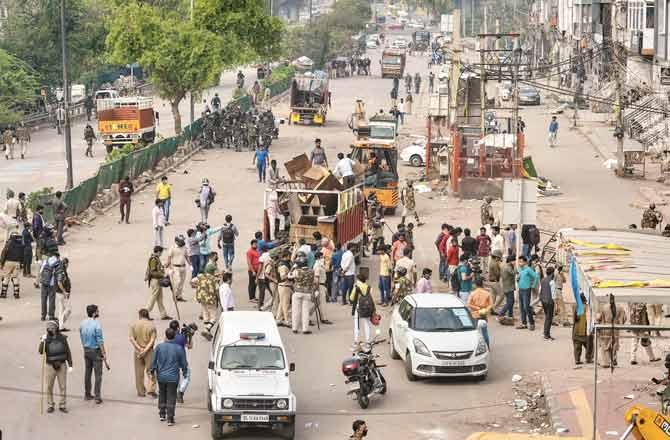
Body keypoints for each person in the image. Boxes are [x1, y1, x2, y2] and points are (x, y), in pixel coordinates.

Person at [151, 327, 189, 426]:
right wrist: (185, 372)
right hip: (173, 377)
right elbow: (184, 363)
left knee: (162, 393)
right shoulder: (179, 348)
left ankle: (162, 413)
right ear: (174, 337)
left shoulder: (159, 347)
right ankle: (170, 418)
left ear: (165, 335)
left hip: (161, 376)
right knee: (171, 397)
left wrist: (152, 371)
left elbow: (154, 361)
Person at [39, 320, 73, 413]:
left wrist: (70, 364)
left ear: (56, 327)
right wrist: (42, 341)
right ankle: (50, 404)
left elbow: (68, 351)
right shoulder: (46, 339)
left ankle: (62, 405)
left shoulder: (62, 338)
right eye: (48, 326)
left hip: (62, 365)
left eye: (51, 326)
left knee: (63, 386)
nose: (49, 328)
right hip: (50, 365)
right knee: (49, 386)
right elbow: (41, 351)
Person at [79, 304, 106, 404]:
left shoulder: (82, 323)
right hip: (95, 350)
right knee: (98, 374)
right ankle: (97, 396)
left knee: (88, 372)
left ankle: (87, 394)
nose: (98, 312)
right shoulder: (97, 325)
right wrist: (104, 353)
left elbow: (81, 335)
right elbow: (100, 341)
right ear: (94, 313)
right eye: (97, 311)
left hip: (86, 349)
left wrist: (85, 346)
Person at [129, 308, 157, 398]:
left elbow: (131, 339)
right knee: (151, 371)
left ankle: (141, 391)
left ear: (140, 315)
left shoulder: (134, 325)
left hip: (137, 351)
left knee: (138, 372)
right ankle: (151, 390)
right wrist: (145, 350)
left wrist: (139, 348)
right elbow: (152, 340)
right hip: (149, 352)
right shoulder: (151, 326)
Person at [289, 251, 317, 335]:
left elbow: (289, 276)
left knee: (296, 311)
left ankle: (295, 328)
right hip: (307, 293)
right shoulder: (312, 271)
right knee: (305, 311)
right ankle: (305, 329)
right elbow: (314, 281)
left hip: (297, 292)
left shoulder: (297, 271)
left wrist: (293, 268)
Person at [596, 300, 627, 368]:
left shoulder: (604, 307)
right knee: (614, 344)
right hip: (615, 327)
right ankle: (613, 359)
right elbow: (624, 318)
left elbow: (599, 318)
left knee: (605, 345)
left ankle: (606, 362)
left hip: (606, 327)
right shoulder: (620, 307)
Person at [192, 264, 219, 339]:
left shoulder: (200, 277)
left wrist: (198, 287)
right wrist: (219, 300)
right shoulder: (213, 279)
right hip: (210, 299)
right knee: (213, 317)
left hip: (201, 298)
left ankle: (207, 330)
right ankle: (207, 329)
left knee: (205, 313)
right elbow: (217, 290)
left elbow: (192, 282)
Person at [145, 246, 172, 320]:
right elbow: (152, 272)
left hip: (158, 280)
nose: (161, 254)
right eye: (161, 252)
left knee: (160, 299)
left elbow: (158, 268)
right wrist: (163, 274)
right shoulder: (153, 259)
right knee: (153, 298)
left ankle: (163, 314)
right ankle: (145, 313)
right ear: (158, 252)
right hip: (155, 280)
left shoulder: (156, 258)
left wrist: (163, 267)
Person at [350, 272, 376, 347]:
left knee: (357, 325)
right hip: (367, 308)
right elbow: (372, 299)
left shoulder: (356, 287)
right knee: (367, 324)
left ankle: (356, 341)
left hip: (358, 308)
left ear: (359, 280)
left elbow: (351, 298)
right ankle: (367, 341)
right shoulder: (369, 287)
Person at [39, 246, 62, 320]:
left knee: (43, 299)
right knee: (51, 300)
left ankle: (43, 316)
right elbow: (59, 274)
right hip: (52, 283)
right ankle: (51, 315)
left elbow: (40, 271)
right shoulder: (57, 262)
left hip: (44, 282)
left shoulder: (46, 260)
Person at [466, 278, 491, 346]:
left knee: (475, 332)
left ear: (475, 285)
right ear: (482, 284)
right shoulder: (487, 293)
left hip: (475, 314)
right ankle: (487, 346)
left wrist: (476, 308)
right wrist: (485, 310)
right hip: (483, 314)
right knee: (484, 331)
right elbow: (490, 305)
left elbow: (468, 304)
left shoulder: (472, 294)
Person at [516, 256, 539, 331]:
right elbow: (519, 278)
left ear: (525, 262)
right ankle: (524, 323)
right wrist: (517, 279)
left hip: (526, 290)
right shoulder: (519, 269)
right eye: (519, 261)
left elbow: (536, 276)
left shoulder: (528, 269)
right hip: (520, 289)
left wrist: (533, 285)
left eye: (521, 261)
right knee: (521, 307)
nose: (520, 263)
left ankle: (532, 323)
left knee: (526, 306)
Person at [1, 231, 24, 298]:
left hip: (8, 262)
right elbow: (22, 256)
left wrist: (2, 263)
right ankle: (16, 294)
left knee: (6, 277)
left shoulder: (8, 244)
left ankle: (3, 293)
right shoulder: (21, 245)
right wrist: (21, 264)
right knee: (15, 277)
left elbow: (3, 254)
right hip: (17, 263)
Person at [573, 294, 594, 364]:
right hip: (586, 331)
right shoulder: (588, 307)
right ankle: (588, 359)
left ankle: (577, 360)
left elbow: (574, 319)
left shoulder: (576, 306)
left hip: (577, 330)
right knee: (589, 346)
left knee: (577, 346)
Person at [166, 235, 188, 302]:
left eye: (183, 240)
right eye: (181, 241)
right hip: (175, 267)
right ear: (176, 241)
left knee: (182, 283)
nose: (182, 242)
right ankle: (175, 295)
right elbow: (169, 258)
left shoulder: (184, 247)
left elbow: (186, 256)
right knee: (177, 282)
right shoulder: (172, 248)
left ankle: (179, 296)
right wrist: (168, 266)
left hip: (183, 267)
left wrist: (190, 264)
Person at [312, 251, 332, 324]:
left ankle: (308, 315)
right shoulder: (317, 266)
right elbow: (316, 278)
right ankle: (324, 318)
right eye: (322, 257)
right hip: (319, 285)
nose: (323, 258)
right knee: (322, 303)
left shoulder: (320, 265)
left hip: (322, 285)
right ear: (319, 257)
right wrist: (316, 289)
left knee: (318, 302)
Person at [539, 266, 556, 341]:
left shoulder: (543, 280)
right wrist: (556, 305)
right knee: (549, 318)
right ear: (552, 273)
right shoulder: (552, 282)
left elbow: (540, 290)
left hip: (543, 300)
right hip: (549, 301)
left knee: (547, 317)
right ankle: (546, 335)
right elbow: (553, 295)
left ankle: (545, 333)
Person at [275, 250, 292, 326]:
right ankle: (287, 320)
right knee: (286, 304)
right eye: (289, 256)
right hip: (284, 285)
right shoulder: (283, 265)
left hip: (282, 286)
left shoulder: (282, 263)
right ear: (287, 256)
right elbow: (283, 277)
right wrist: (290, 275)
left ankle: (278, 319)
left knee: (282, 303)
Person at [55, 257, 72, 331]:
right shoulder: (61, 271)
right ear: (65, 264)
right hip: (61, 293)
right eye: (67, 264)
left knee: (61, 310)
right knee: (68, 309)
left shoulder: (61, 270)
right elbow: (59, 282)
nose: (68, 265)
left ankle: (60, 325)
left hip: (61, 293)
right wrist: (64, 291)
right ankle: (60, 323)